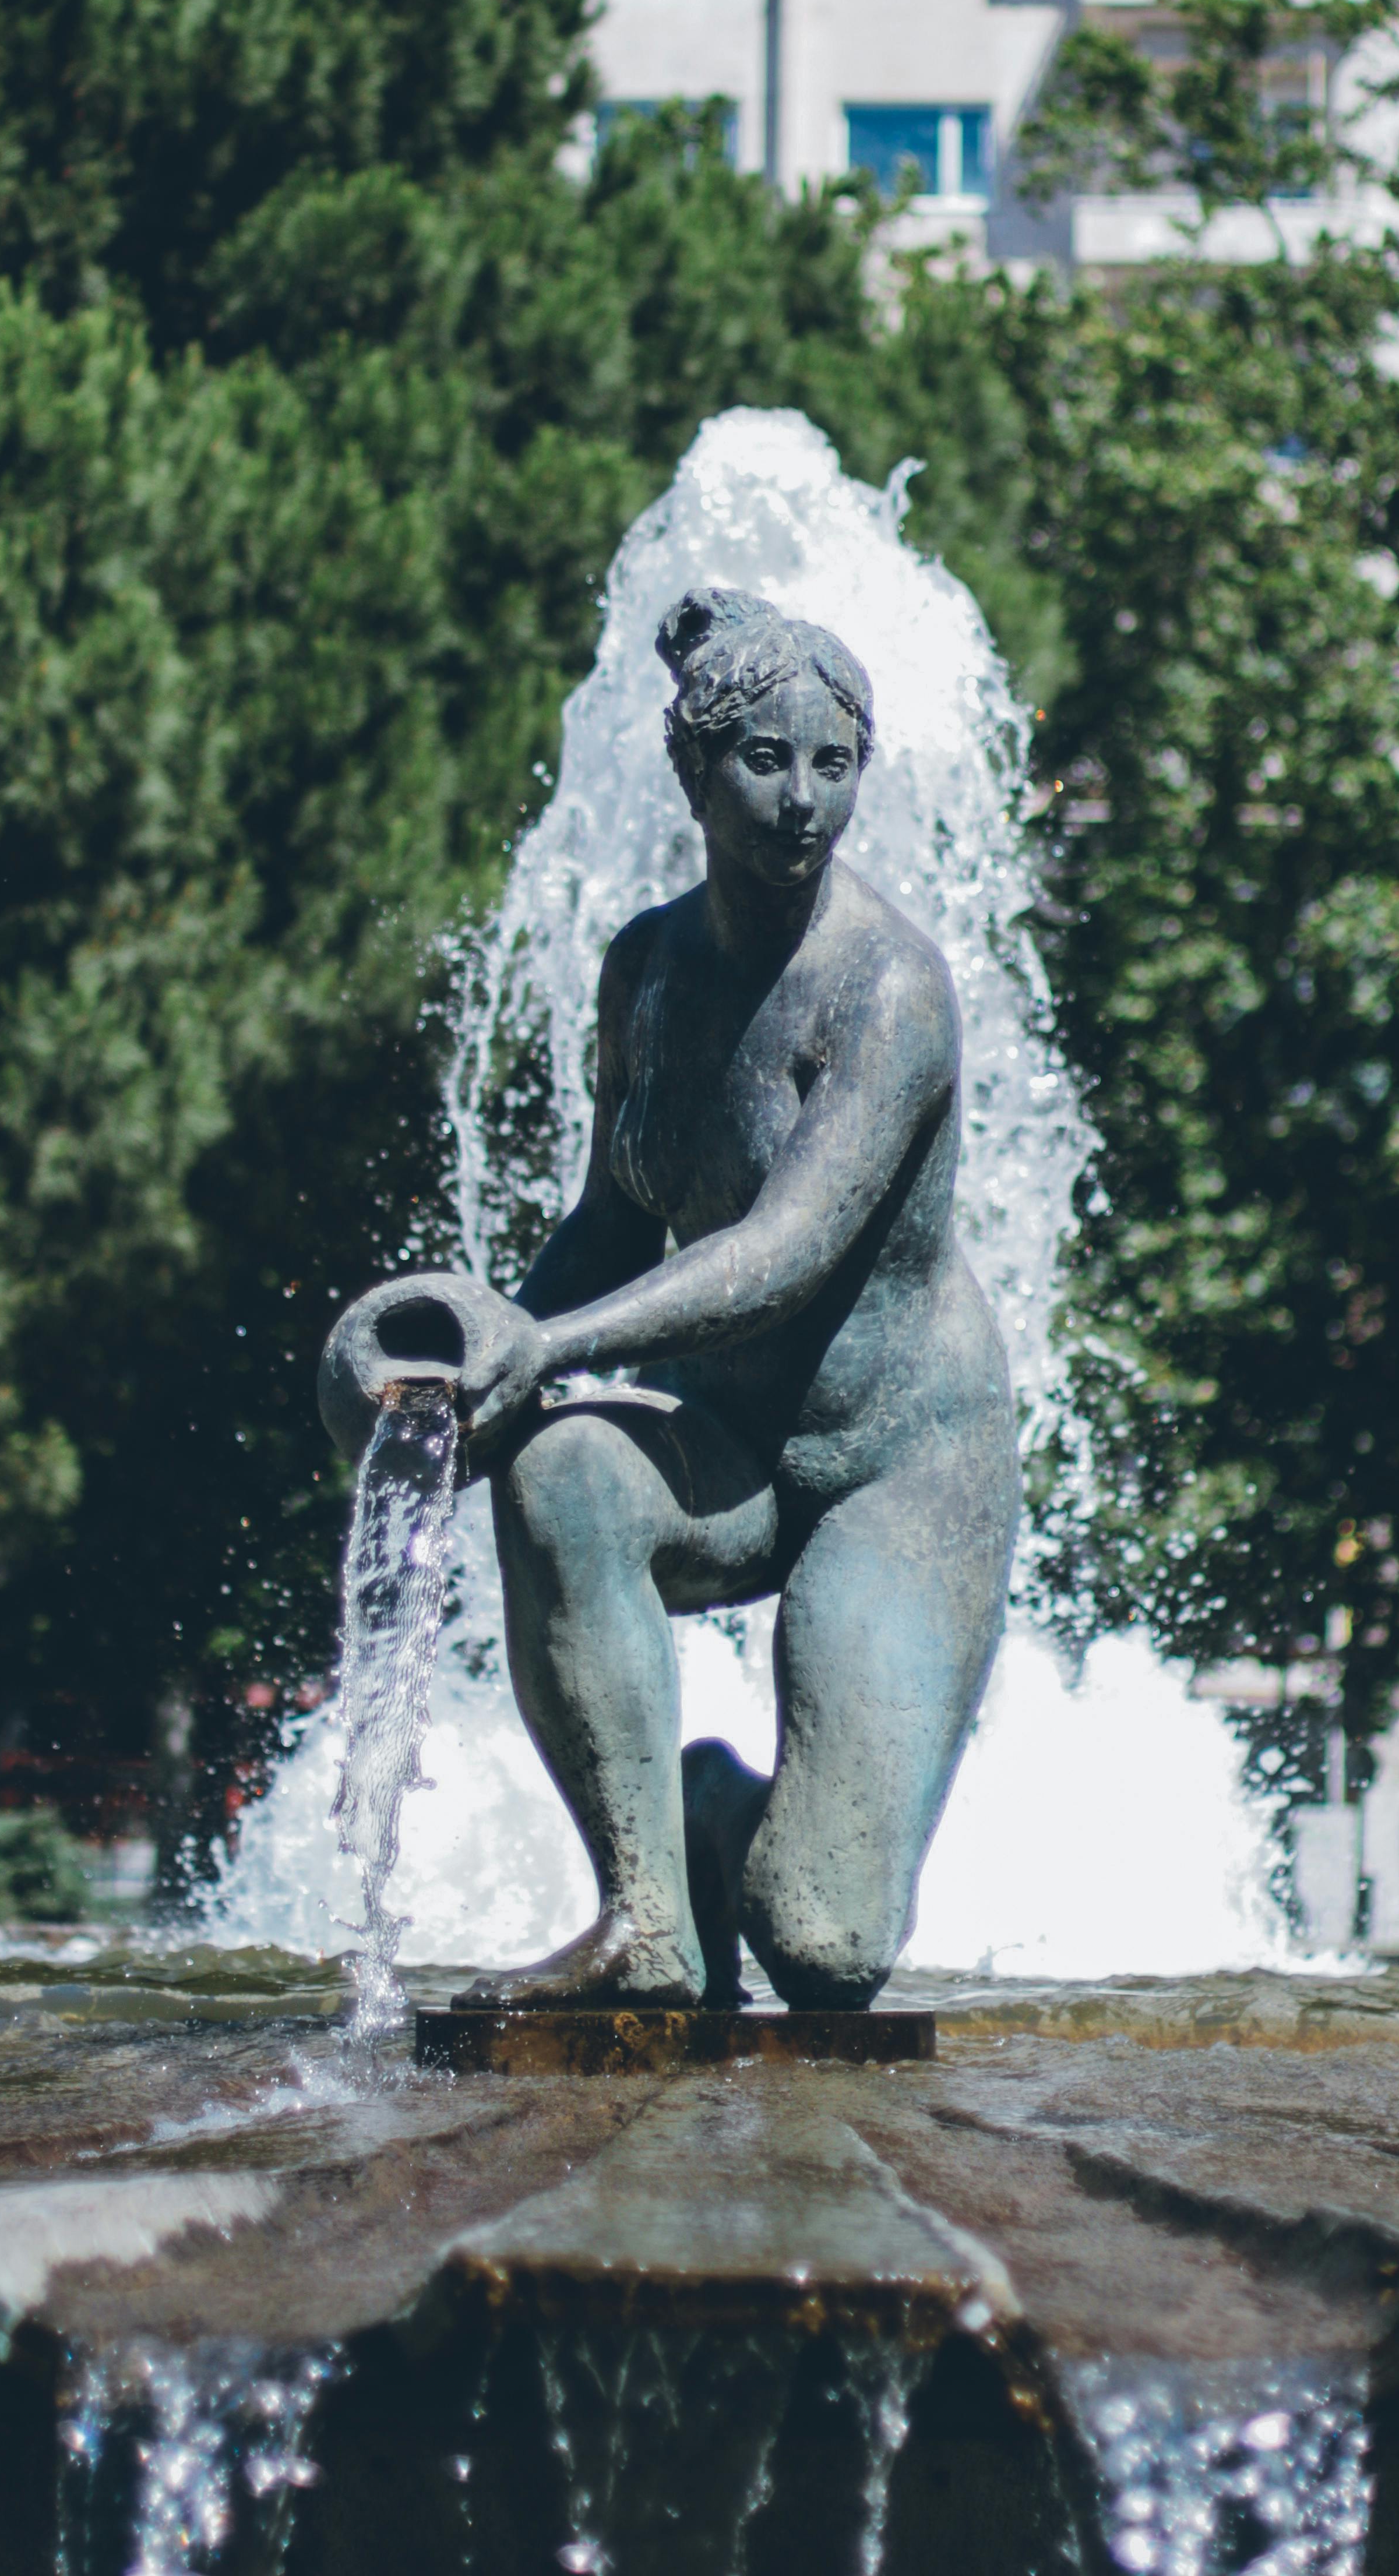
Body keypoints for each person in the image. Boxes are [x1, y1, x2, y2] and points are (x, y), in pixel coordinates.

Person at [442, 585, 1019, 2010]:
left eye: (834, 764)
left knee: (822, 1947)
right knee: (563, 1472)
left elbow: (784, 1250)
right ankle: (645, 1919)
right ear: (693, 772)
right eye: (766, 760)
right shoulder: (646, 968)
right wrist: (481, 1354)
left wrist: (555, 1346)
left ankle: (719, 1819)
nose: (803, 799)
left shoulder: (891, 986)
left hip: (901, 1465)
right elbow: (613, 1224)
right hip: (731, 1450)